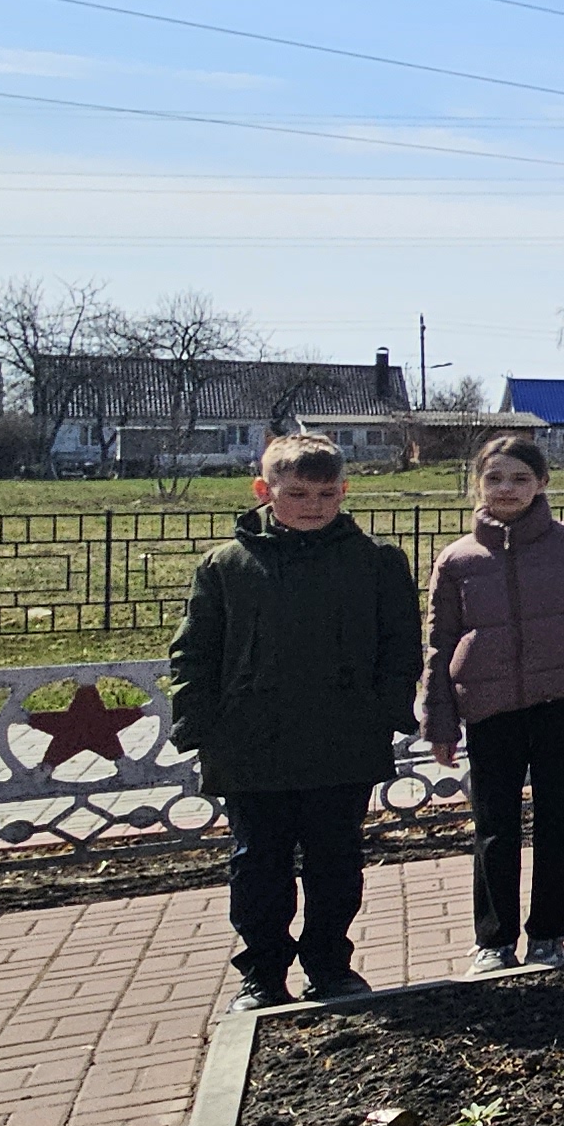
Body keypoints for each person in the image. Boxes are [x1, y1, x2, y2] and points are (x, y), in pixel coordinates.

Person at [168, 433, 419, 1011]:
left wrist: (384, 713)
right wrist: (199, 726)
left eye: (327, 493)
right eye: (298, 492)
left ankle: (330, 964)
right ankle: (261, 972)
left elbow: (400, 646)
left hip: (342, 744)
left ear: (344, 492)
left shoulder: (375, 563)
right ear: (264, 490)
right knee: (258, 865)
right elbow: (194, 652)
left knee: (336, 862)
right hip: (252, 746)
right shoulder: (228, 565)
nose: (314, 505)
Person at [421, 434, 564, 974]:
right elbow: (439, 643)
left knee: (559, 819)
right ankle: (493, 939)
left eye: (519, 478)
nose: (507, 489)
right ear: (477, 485)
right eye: (494, 478)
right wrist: (439, 719)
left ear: (542, 483)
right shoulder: (458, 560)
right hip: (490, 708)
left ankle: (550, 934)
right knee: (493, 824)